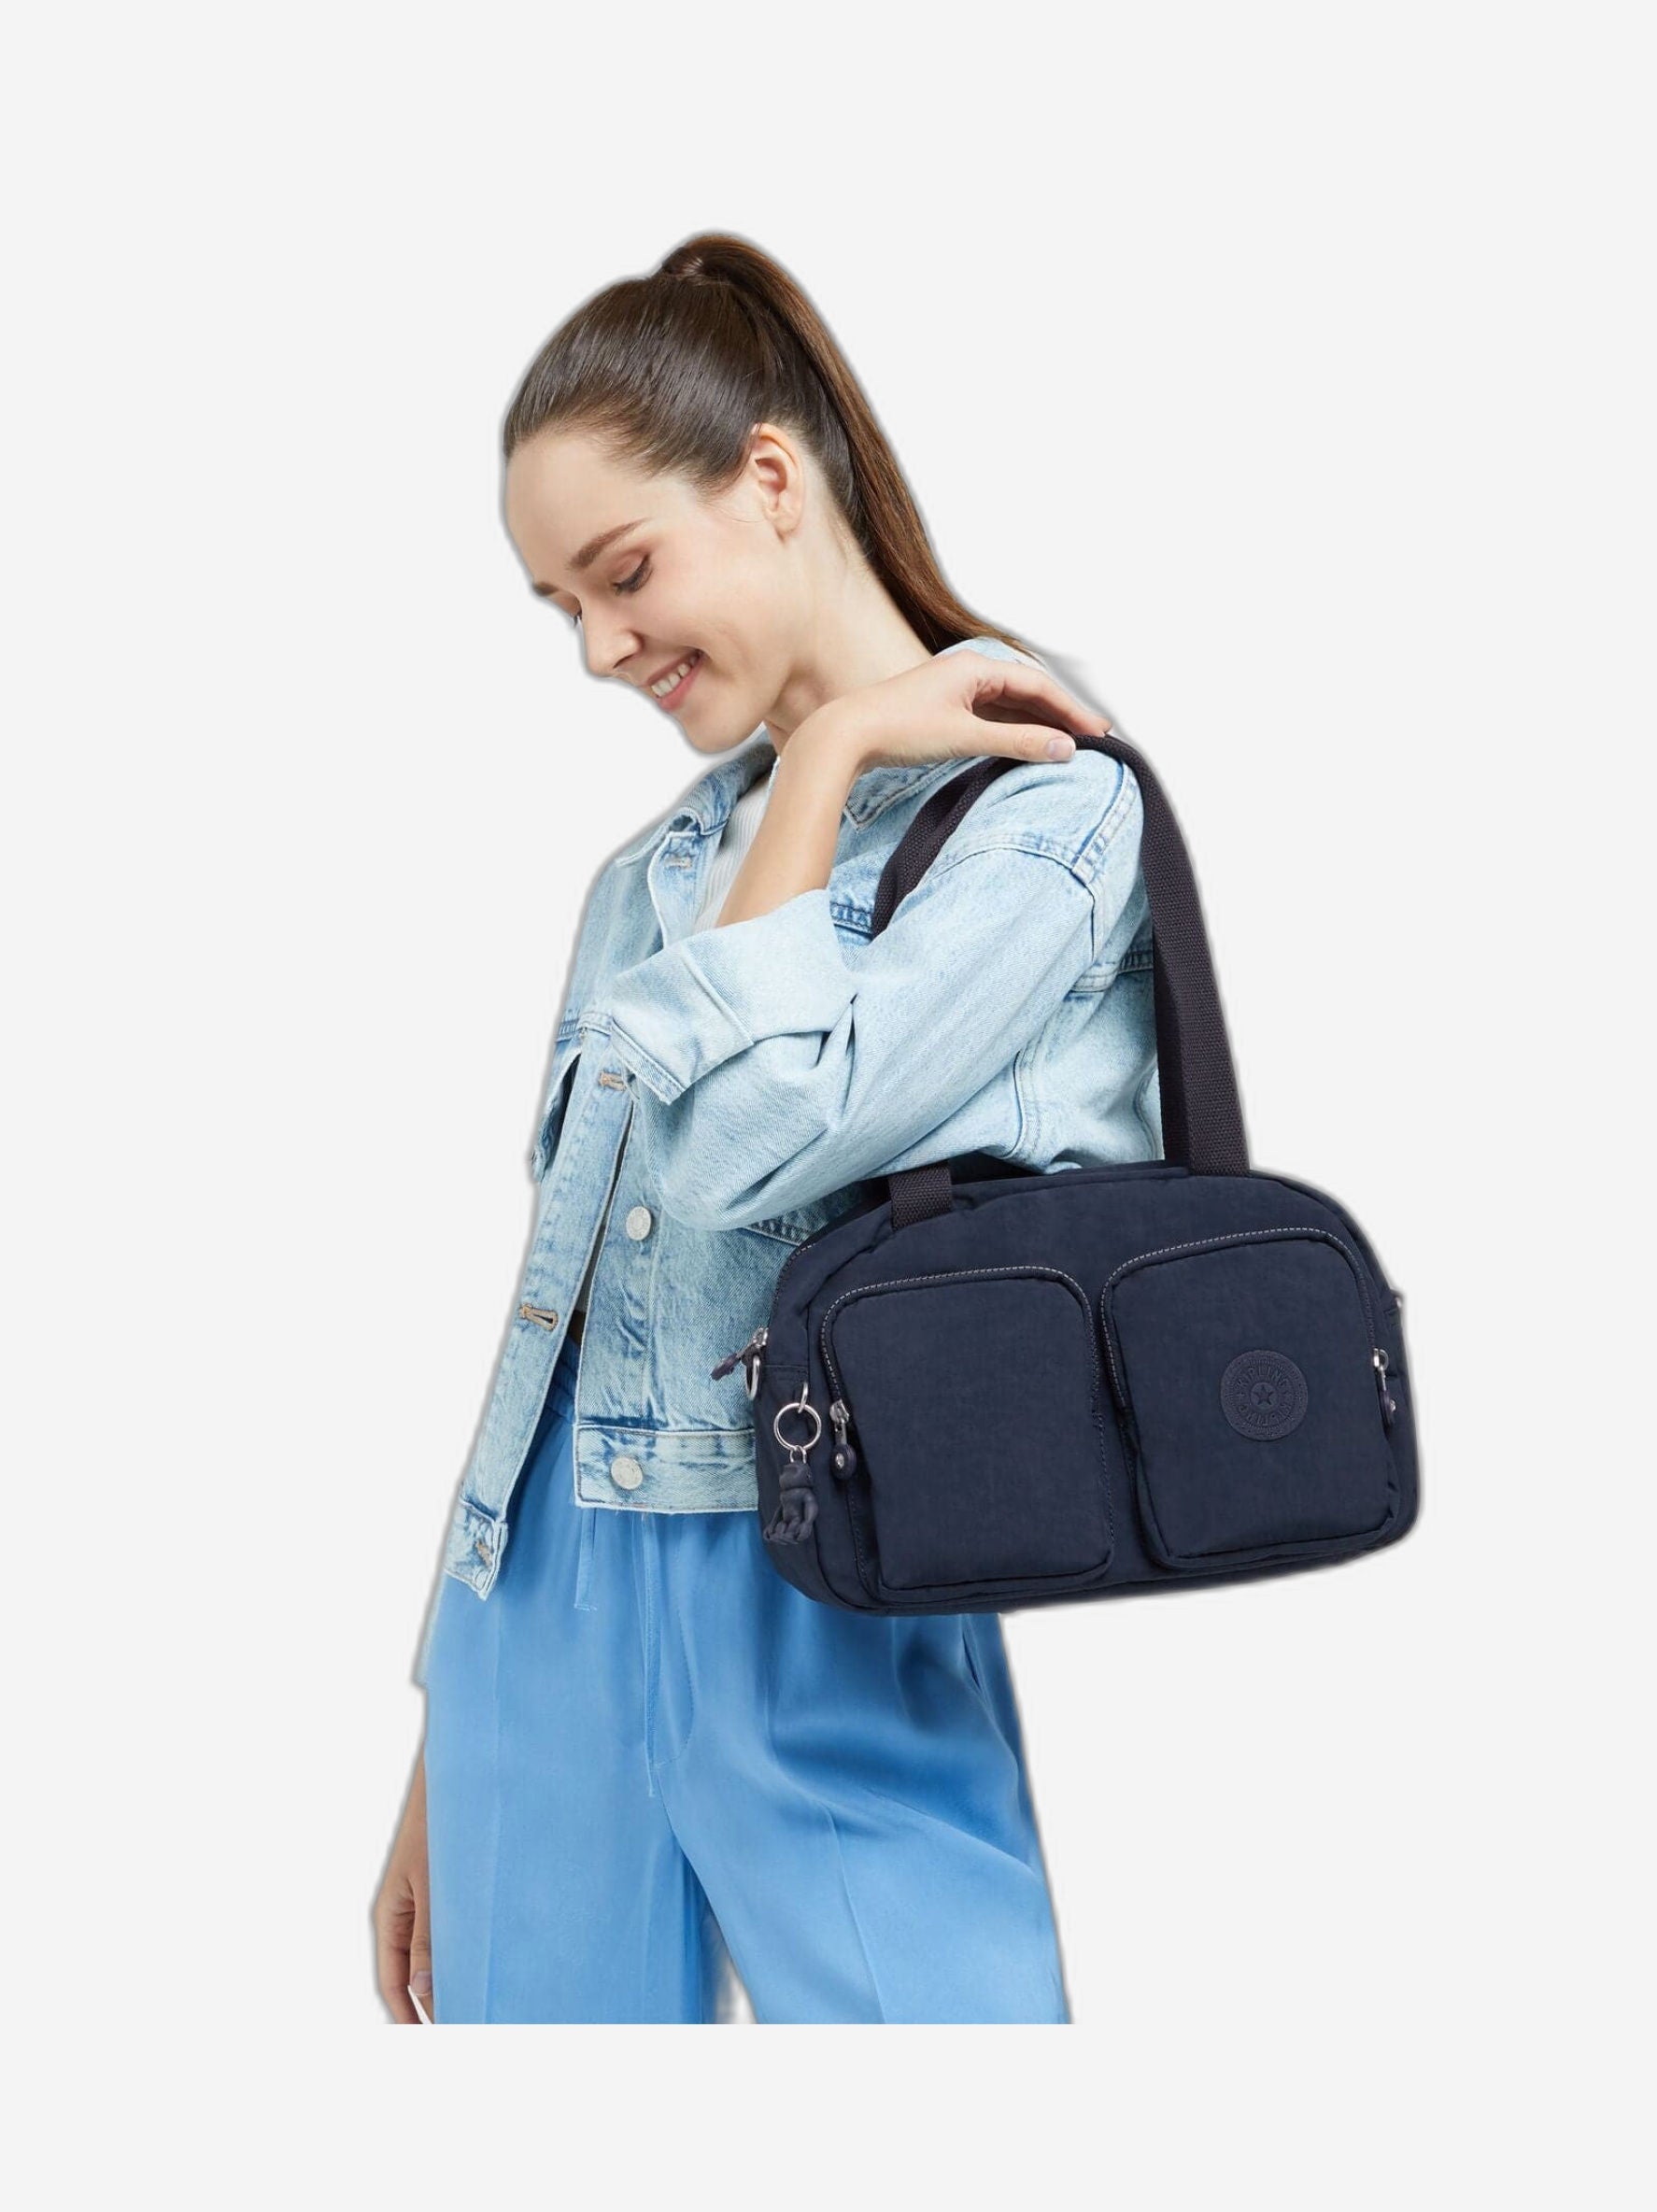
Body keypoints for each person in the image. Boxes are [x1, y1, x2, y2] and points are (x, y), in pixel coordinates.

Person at [373, 231, 1156, 2023]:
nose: (600, 647)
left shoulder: (1044, 816)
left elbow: (748, 1145)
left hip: (828, 1592)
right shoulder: (642, 880)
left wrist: (827, 761)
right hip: (535, 1610)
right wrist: (445, 1729)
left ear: (773, 480)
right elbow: (562, 1315)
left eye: (625, 571)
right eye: (562, 606)